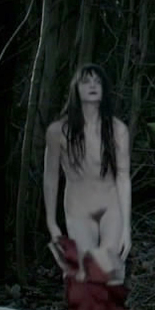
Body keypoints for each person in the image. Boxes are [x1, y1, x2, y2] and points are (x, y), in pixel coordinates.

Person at [44, 64, 132, 283]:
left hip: (111, 206)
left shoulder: (118, 129)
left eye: (97, 82)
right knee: (84, 275)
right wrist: (51, 222)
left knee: (112, 274)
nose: (93, 85)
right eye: (86, 81)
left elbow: (123, 177)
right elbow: (50, 178)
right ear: (76, 88)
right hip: (78, 209)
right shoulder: (58, 131)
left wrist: (126, 227)